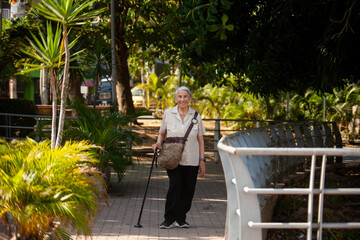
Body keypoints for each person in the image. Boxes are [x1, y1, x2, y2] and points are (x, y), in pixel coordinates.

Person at [152, 86, 206, 229]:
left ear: (190, 99)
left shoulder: (196, 116)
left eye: (185, 96)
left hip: (192, 159)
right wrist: (158, 143)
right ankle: (169, 218)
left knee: (188, 189)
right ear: (176, 99)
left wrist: (202, 160)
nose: (182, 99)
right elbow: (162, 133)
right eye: (180, 97)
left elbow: (201, 140)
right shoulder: (168, 114)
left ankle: (181, 218)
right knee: (175, 185)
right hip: (172, 158)